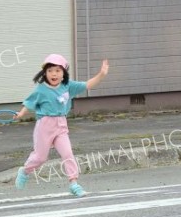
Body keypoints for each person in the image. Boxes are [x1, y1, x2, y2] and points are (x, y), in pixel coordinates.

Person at [14, 54, 109, 197]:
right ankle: (25, 171)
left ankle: (73, 183)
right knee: (40, 157)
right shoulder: (41, 89)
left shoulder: (68, 86)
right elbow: (29, 103)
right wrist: (21, 114)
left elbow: (88, 84)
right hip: (44, 126)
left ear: (63, 73)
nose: (54, 74)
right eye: (50, 70)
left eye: (58, 71)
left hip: (61, 124)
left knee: (68, 153)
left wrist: (101, 75)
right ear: (45, 73)